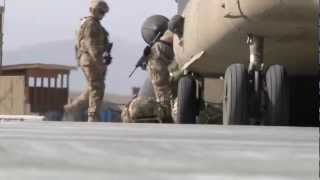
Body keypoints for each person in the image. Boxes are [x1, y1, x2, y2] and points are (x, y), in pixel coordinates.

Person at [64, 0, 112, 122]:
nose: (102, 15)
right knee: (97, 86)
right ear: (93, 10)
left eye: (104, 12)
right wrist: (99, 61)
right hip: (91, 60)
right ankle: (93, 116)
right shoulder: (91, 24)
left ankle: (71, 109)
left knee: (90, 89)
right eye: (101, 12)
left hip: (90, 59)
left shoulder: (92, 23)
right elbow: (91, 45)